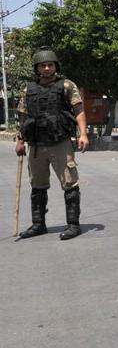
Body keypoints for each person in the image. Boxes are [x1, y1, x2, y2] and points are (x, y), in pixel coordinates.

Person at [15, 47, 89, 240]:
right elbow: (23, 117)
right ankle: (38, 224)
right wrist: (20, 140)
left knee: (69, 183)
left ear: (56, 66)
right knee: (37, 185)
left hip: (60, 142)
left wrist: (83, 134)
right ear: (37, 68)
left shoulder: (66, 86)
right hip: (36, 145)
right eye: (42, 66)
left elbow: (79, 111)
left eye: (50, 65)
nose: (47, 68)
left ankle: (73, 225)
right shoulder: (28, 89)